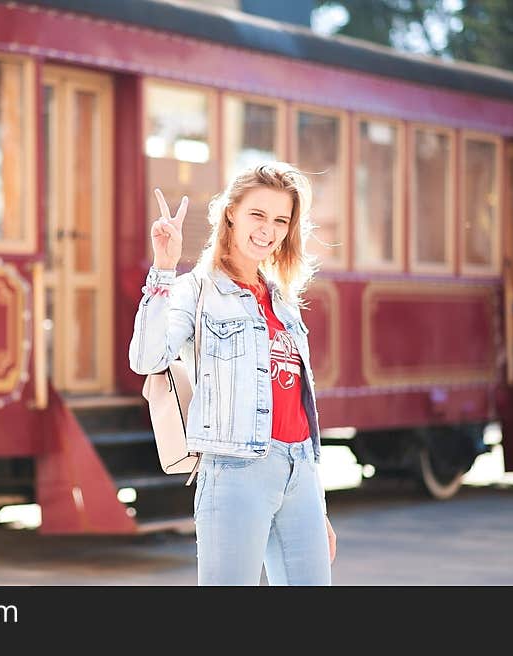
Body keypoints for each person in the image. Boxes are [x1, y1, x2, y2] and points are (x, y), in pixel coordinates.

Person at [128, 162, 335, 585]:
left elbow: (300, 405)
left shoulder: (283, 300)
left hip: (300, 474)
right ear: (230, 213)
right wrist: (163, 269)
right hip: (236, 472)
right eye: (258, 215)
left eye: (281, 220)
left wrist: (319, 504)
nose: (268, 229)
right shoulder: (197, 290)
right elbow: (146, 360)